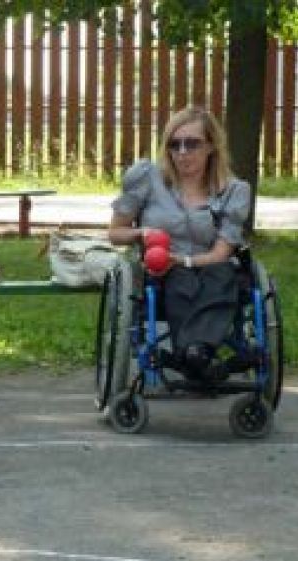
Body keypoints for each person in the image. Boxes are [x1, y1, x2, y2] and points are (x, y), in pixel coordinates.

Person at [108, 105, 252, 383]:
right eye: (175, 144)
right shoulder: (147, 179)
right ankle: (197, 357)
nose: (182, 152)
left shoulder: (234, 190)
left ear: (211, 146)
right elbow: (115, 233)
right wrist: (142, 233)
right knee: (179, 279)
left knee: (222, 275)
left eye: (192, 143)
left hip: (212, 264)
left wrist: (185, 260)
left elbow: (222, 252)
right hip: (162, 269)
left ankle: (194, 355)